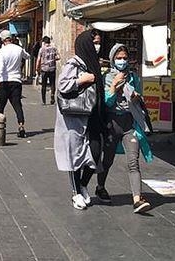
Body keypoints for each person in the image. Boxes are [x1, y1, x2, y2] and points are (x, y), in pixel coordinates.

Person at [55, 29, 105, 210]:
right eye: (94, 43)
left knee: (95, 152)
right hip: (75, 117)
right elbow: (62, 85)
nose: (97, 46)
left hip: (93, 116)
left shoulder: (94, 64)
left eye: (98, 43)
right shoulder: (75, 63)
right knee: (74, 156)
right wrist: (81, 80)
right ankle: (76, 192)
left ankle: (83, 184)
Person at [100, 44, 153, 213]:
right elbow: (107, 102)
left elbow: (139, 99)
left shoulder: (133, 77)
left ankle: (137, 199)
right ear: (112, 59)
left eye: (124, 58)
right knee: (107, 160)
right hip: (112, 123)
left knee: (133, 162)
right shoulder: (106, 77)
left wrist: (136, 97)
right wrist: (114, 87)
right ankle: (100, 187)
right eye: (118, 58)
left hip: (129, 124)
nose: (122, 61)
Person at [0, 30, 30, 138]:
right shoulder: (19, 49)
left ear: (2, 39)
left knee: (0, 105)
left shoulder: (1, 51)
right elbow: (27, 56)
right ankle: (21, 125)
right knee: (17, 105)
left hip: (4, 81)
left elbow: (0, 67)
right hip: (16, 80)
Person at [36, 36, 59, 105]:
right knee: (52, 84)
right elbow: (58, 57)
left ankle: (44, 101)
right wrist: (53, 59)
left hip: (44, 69)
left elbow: (38, 59)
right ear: (49, 42)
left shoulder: (41, 49)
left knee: (44, 85)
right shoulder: (54, 48)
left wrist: (37, 68)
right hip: (52, 68)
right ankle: (52, 95)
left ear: (44, 42)